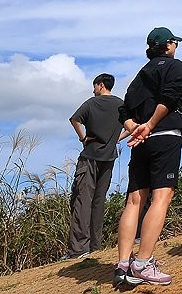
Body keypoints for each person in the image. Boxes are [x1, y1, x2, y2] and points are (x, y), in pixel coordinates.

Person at [113, 27, 182, 287]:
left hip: (140, 142)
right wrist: (151, 125)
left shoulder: (140, 74)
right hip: (164, 136)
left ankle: (123, 264)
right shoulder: (174, 66)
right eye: (174, 42)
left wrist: (135, 127)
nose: (175, 46)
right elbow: (170, 98)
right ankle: (143, 263)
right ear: (168, 45)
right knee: (162, 196)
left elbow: (123, 110)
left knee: (134, 200)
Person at [62, 74, 125, 260]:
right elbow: (132, 126)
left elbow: (74, 119)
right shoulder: (121, 105)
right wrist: (115, 140)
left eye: (95, 86)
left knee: (82, 200)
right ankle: (95, 246)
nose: (93, 90)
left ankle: (78, 249)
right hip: (109, 158)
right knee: (99, 202)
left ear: (101, 85)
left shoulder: (92, 103)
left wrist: (83, 138)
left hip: (90, 156)